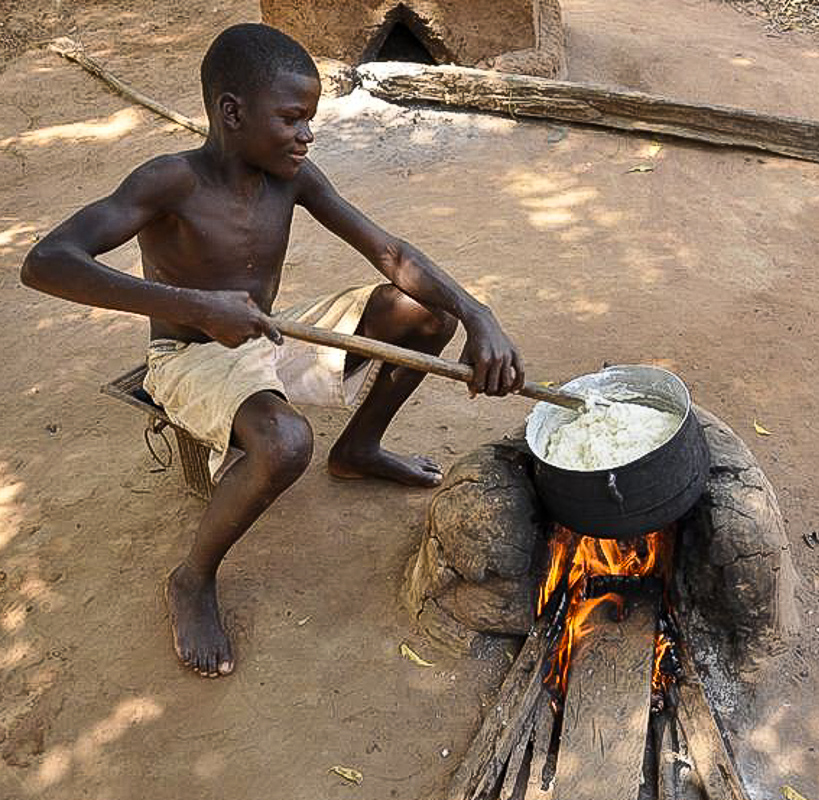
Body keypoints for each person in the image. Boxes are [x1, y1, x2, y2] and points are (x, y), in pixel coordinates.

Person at [21, 23, 524, 678]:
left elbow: (391, 254)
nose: (307, 134)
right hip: (192, 355)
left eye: (309, 119)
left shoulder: (293, 178)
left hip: (268, 332)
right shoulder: (171, 182)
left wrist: (478, 314)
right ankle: (191, 579)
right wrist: (197, 306)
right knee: (286, 444)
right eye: (292, 118)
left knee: (428, 315)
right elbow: (46, 262)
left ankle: (358, 450)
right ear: (233, 112)